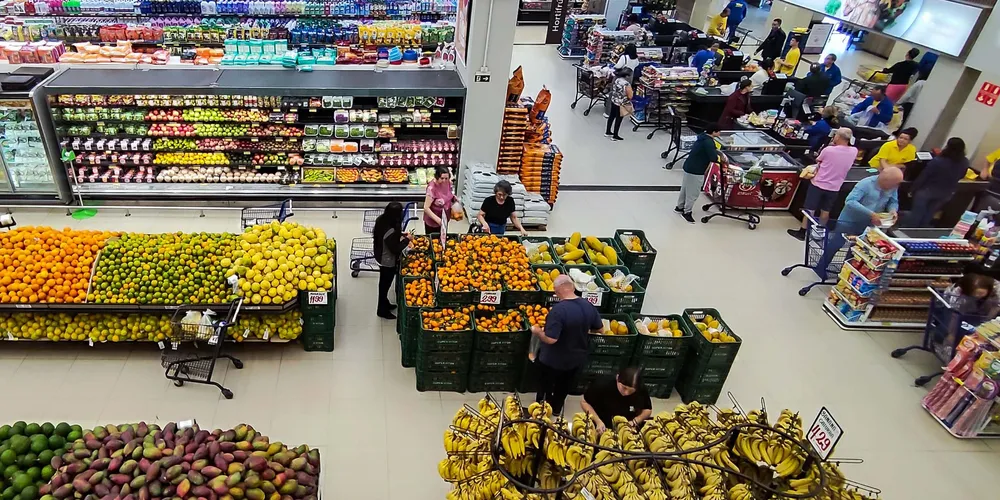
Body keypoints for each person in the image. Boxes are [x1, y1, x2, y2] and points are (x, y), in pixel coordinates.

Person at [531, 275, 603, 415]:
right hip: (576, 358)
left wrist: (538, 332)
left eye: (555, 290)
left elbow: (551, 339)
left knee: (545, 386)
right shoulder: (588, 306)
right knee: (563, 387)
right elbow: (600, 329)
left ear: (558, 290)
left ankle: (541, 412)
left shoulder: (558, 311)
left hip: (553, 359)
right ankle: (557, 410)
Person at [787, 128, 858, 241]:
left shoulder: (829, 150)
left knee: (810, 209)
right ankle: (819, 233)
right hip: (835, 187)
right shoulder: (854, 151)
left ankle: (802, 232)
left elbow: (819, 160)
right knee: (826, 211)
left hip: (818, 184)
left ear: (838, 137)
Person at [902, 137, 969, 227]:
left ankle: (907, 232)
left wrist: (913, 189)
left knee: (917, 213)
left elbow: (924, 176)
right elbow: (961, 175)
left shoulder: (938, 161)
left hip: (927, 191)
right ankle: (919, 233)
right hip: (946, 193)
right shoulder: (965, 162)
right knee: (929, 213)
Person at [581, 367, 653, 433]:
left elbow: (647, 409)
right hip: (602, 423)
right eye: (624, 388)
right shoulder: (602, 385)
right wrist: (598, 421)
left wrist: (635, 421)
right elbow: (584, 402)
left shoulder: (640, 389)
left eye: (631, 391)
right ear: (617, 378)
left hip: (627, 426)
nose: (626, 393)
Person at [675, 123, 722, 224]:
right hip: (697, 169)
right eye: (718, 131)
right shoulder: (709, 142)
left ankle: (680, 207)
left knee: (685, 188)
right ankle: (687, 212)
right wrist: (720, 157)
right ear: (713, 132)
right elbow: (713, 158)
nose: (720, 133)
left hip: (689, 166)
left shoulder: (702, 137)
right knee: (693, 192)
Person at [372, 202, 413, 319]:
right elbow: (395, 249)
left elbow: (387, 237)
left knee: (383, 284)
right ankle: (382, 310)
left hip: (379, 253)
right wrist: (406, 240)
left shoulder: (382, 220)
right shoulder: (391, 230)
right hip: (387, 260)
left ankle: (385, 304)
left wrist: (400, 234)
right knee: (385, 285)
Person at [837, 166, 903, 235]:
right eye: (893, 185)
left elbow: (893, 201)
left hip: (870, 225)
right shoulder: (865, 184)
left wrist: (893, 210)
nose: (895, 187)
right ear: (885, 180)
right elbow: (850, 201)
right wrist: (871, 214)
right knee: (837, 243)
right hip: (850, 222)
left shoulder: (893, 186)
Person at [422, 166, 457, 235]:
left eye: (446, 178)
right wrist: (438, 220)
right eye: (442, 178)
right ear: (437, 177)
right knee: (433, 240)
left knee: (443, 238)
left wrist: (453, 198)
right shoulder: (431, 188)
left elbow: (448, 193)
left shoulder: (448, 183)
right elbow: (426, 208)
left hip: (444, 217)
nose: (444, 181)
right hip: (433, 221)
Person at [605, 67, 633, 142]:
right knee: (619, 119)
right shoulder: (626, 84)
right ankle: (615, 136)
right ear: (627, 76)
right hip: (621, 103)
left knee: (611, 116)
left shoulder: (617, 80)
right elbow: (630, 96)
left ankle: (608, 131)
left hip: (614, 100)